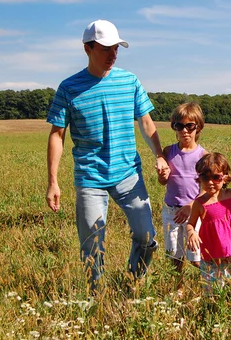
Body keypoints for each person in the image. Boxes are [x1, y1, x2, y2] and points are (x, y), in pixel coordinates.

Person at [46, 19, 168, 293]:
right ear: (87, 49)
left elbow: (146, 123)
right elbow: (57, 134)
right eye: (105, 49)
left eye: (116, 48)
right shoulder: (69, 87)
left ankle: (132, 283)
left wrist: (160, 155)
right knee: (92, 243)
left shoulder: (129, 81)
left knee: (146, 235)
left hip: (128, 174)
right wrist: (53, 181)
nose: (113, 55)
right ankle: (96, 298)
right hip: (90, 176)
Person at [187, 153, 231, 294]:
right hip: (211, 253)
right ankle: (213, 308)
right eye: (205, 177)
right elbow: (190, 223)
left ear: (225, 177)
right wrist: (191, 232)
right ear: (199, 178)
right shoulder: (199, 203)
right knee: (212, 288)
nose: (210, 182)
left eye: (216, 177)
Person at [157, 102, 208, 291]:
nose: (184, 131)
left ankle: (208, 287)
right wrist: (162, 177)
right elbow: (163, 182)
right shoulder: (168, 152)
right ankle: (177, 291)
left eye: (190, 126)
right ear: (173, 127)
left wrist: (191, 206)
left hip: (194, 212)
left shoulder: (204, 156)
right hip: (171, 211)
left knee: (196, 256)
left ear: (198, 127)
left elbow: (207, 190)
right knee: (174, 256)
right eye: (179, 126)